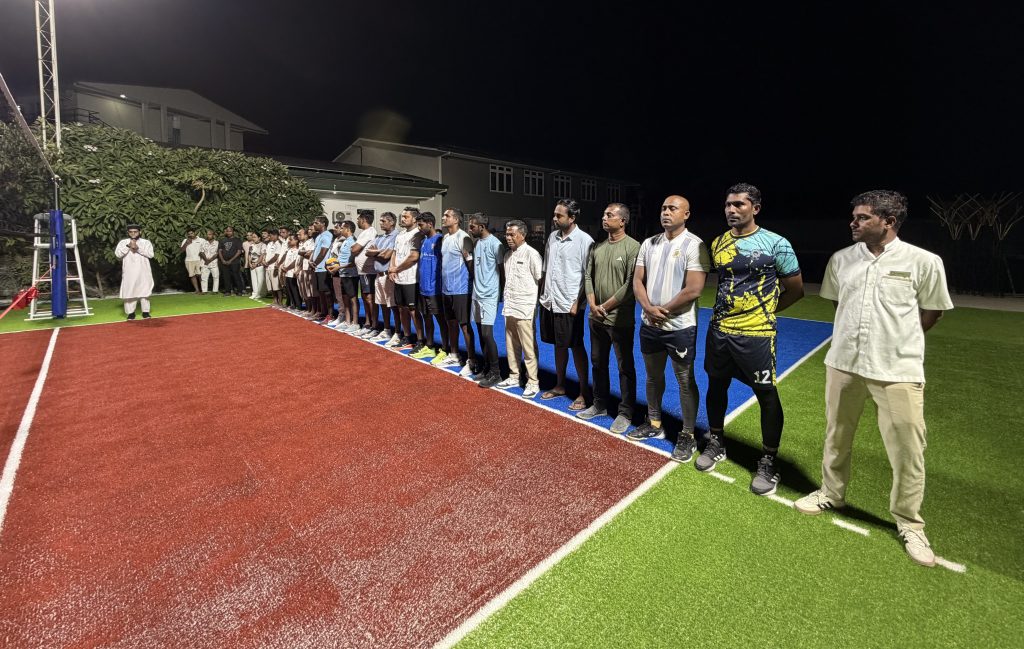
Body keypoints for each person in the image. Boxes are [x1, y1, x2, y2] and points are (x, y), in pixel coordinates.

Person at [794, 190, 953, 567]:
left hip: (899, 371)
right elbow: (840, 307)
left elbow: (932, 313)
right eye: (854, 216)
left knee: (908, 451)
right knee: (837, 435)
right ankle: (831, 493)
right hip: (844, 364)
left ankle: (910, 523)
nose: (853, 222)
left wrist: (897, 342)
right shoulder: (841, 260)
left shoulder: (924, 262)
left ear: (888, 222)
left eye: (863, 218)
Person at [700, 183, 804, 495]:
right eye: (728, 205)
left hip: (757, 334)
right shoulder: (718, 243)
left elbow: (796, 289)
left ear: (755, 208)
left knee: (765, 393)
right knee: (716, 384)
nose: (732, 210)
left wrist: (766, 313)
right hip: (719, 330)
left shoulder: (777, 243)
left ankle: (769, 460)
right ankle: (716, 441)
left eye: (739, 205)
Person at [627, 195, 710, 463]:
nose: (666, 212)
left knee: (685, 381)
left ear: (686, 214)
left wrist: (663, 311)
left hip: (679, 326)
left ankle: (687, 434)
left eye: (672, 208)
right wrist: (649, 309)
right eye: (663, 207)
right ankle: (654, 424)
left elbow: (694, 288)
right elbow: (637, 281)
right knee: (652, 377)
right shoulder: (649, 243)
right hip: (650, 324)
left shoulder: (694, 245)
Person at [579, 203, 641, 433]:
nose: (604, 218)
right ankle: (600, 404)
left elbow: (630, 285)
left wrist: (604, 306)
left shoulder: (634, 248)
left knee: (625, 367)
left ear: (623, 220)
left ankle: (625, 412)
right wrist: (593, 305)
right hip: (595, 317)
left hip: (619, 320)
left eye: (610, 215)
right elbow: (588, 277)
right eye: (604, 214)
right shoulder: (597, 247)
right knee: (598, 363)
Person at [538, 199, 594, 410]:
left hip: (569, 303)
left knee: (576, 345)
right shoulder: (552, 237)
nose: (554, 218)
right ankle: (560, 385)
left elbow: (588, 276)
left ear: (572, 218)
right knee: (558, 344)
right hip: (551, 301)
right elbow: (546, 269)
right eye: (554, 214)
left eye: (559, 215)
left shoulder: (584, 241)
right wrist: (543, 295)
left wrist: (578, 303)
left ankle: (584, 391)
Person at [496, 219, 543, 398]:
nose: (508, 237)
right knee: (511, 343)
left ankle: (533, 381)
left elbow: (540, 279)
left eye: (511, 234)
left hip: (526, 307)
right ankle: (514, 376)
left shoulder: (532, 254)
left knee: (528, 346)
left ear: (522, 235)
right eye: (506, 234)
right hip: (510, 306)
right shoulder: (508, 255)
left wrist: (535, 304)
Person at [467, 213, 505, 386]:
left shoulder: (495, 244)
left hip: (489, 295)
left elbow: (501, 271)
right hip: (477, 293)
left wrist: (501, 293)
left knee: (487, 334)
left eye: (472, 226)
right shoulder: (476, 243)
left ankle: (496, 373)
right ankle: (487, 368)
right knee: (481, 333)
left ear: (482, 227)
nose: (470, 229)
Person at [438, 208, 477, 373]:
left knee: (464, 325)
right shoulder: (446, 238)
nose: (443, 217)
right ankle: (454, 355)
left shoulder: (464, 238)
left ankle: (472, 360)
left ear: (457, 220)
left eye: (447, 216)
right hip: (447, 289)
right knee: (451, 323)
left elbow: (471, 264)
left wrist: (473, 288)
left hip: (461, 289)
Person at [410, 212, 449, 361]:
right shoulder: (424, 241)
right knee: (426, 318)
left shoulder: (440, 240)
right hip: (423, 287)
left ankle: (445, 349)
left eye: (421, 225)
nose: (419, 228)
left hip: (435, 289)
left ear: (430, 224)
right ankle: (430, 346)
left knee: (441, 320)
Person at [389, 208, 426, 350]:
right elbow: (394, 252)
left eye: (406, 216)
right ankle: (407, 337)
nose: (402, 218)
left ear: (414, 219)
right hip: (398, 278)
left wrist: (396, 269)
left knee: (413, 310)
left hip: (411, 278)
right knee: (401, 309)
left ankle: (420, 340)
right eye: (402, 216)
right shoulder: (400, 234)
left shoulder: (417, 234)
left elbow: (413, 257)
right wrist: (392, 268)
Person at [366, 212, 399, 341]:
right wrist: (379, 251)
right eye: (380, 221)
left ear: (391, 222)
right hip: (378, 275)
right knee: (382, 304)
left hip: (388, 275)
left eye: (383, 221)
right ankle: (386, 330)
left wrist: (377, 252)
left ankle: (398, 332)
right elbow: (368, 252)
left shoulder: (396, 236)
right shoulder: (380, 237)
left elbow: (387, 256)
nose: (380, 223)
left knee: (393, 305)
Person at [114, 223, 155, 320]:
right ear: (128, 232)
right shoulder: (123, 242)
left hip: (143, 271)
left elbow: (151, 255)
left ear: (139, 232)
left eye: (135, 232)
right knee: (130, 292)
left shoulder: (146, 242)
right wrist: (128, 246)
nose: (133, 234)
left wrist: (138, 248)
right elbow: (118, 255)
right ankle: (130, 313)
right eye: (131, 232)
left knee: (144, 292)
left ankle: (145, 312)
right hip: (129, 272)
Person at [350, 212, 378, 337]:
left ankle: (374, 326)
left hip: (369, 270)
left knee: (369, 299)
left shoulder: (370, 232)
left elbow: (354, 249)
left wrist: (354, 248)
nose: (357, 221)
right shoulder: (363, 233)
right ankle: (368, 323)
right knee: (366, 298)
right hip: (363, 271)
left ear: (364, 220)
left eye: (358, 219)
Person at [308, 216, 335, 323]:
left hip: (323, 268)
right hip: (317, 268)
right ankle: (323, 313)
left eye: (316, 222)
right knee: (321, 293)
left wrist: (315, 263)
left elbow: (323, 252)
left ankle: (331, 315)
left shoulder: (327, 235)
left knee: (327, 292)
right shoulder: (319, 236)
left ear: (323, 224)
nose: (314, 224)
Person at [335, 220, 360, 331]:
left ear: (348, 229)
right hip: (343, 274)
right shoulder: (345, 241)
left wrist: (339, 267)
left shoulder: (353, 241)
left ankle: (355, 323)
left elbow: (354, 262)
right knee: (345, 298)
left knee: (353, 298)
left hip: (351, 275)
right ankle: (347, 321)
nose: (340, 230)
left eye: (342, 228)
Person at [217, 226, 245, 296]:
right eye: (227, 231)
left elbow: (239, 251)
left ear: (233, 232)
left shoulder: (237, 240)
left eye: (230, 231)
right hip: (224, 262)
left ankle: (239, 291)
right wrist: (223, 260)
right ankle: (228, 291)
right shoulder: (222, 240)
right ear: (225, 232)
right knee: (226, 277)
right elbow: (219, 251)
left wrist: (230, 260)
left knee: (236, 276)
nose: (229, 232)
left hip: (234, 262)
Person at [261, 229, 283, 306]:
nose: (269, 237)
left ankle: (280, 301)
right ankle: (275, 300)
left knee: (277, 286)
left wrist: (267, 262)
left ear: (276, 235)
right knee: (271, 285)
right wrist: (263, 261)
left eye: (270, 235)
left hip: (274, 267)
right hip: (268, 267)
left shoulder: (279, 244)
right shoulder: (269, 244)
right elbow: (266, 254)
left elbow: (276, 256)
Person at [281, 234, 302, 310]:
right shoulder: (289, 250)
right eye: (289, 240)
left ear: (296, 241)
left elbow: (295, 261)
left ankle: (298, 305)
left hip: (293, 272)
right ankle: (293, 304)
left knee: (295, 289)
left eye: (291, 239)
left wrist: (287, 268)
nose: (289, 241)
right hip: (287, 272)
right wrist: (283, 266)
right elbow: (286, 260)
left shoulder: (298, 250)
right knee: (289, 289)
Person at [180, 229, 204, 293]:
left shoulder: (201, 240)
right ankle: (197, 290)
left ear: (195, 233)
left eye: (192, 233)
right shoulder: (185, 240)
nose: (190, 235)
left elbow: (205, 250)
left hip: (199, 260)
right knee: (192, 275)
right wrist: (186, 243)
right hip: (189, 260)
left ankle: (203, 289)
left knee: (200, 275)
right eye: (189, 234)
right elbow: (181, 250)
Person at [199, 229, 220, 294]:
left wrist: (210, 260)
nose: (208, 236)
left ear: (213, 235)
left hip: (214, 263)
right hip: (204, 262)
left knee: (215, 277)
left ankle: (215, 290)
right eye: (207, 234)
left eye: (210, 234)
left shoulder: (217, 243)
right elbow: (201, 252)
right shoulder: (203, 242)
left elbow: (217, 253)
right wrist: (206, 260)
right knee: (204, 277)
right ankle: (204, 291)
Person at [248, 232, 267, 299]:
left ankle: (261, 293)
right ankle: (255, 293)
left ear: (259, 238)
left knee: (260, 280)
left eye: (255, 237)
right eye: (252, 237)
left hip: (259, 264)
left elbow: (262, 255)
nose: (253, 238)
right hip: (252, 264)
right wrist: (249, 263)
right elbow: (249, 254)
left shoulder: (263, 245)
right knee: (254, 280)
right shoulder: (251, 245)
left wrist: (256, 263)